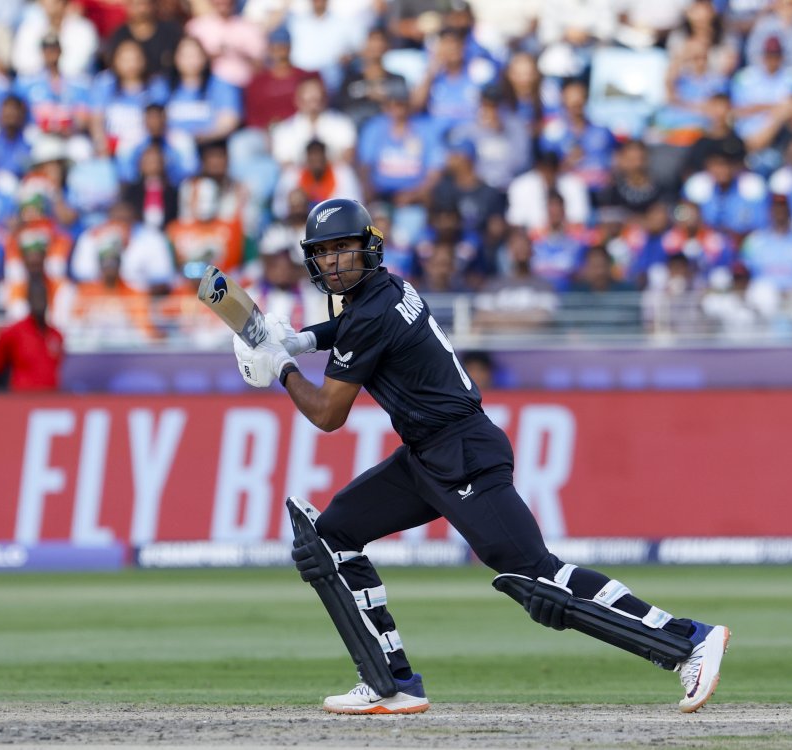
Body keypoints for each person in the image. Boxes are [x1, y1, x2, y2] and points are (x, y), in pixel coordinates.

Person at [231, 198, 730, 715]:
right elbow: (352, 327)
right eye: (324, 252)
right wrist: (302, 337)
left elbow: (328, 415)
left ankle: (688, 641)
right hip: (427, 454)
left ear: (368, 248)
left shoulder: (372, 309)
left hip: (462, 452)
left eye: (344, 248)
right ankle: (390, 682)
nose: (334, 261)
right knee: (331, 539)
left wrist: (284, 365)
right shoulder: (390, 287)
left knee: (538, 579)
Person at [0, 276, 64, 392]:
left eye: (42, 297)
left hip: (51, 401)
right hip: (21, 401)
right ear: (28, 300)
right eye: (35, 297)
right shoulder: (14, 332)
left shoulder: (56, 335)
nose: (40, 302)